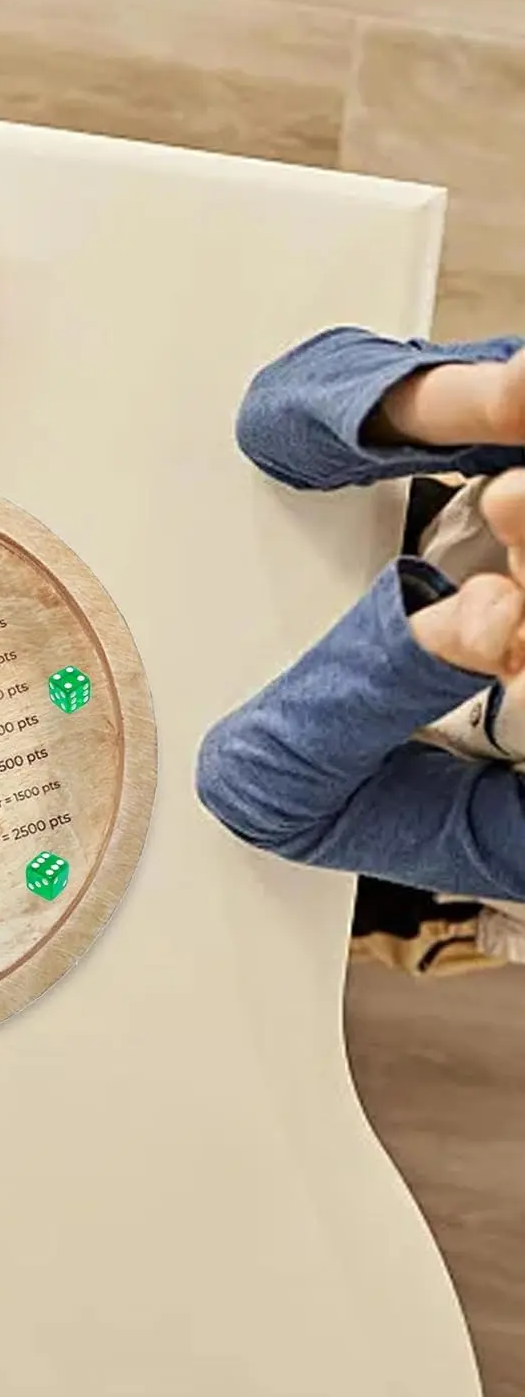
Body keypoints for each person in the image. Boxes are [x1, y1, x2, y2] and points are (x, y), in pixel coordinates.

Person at [197, 328, 525, 963]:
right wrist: (482, 403)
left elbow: (256, 799)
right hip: (354, 549)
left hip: (355, 794)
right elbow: (272, 418)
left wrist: (445, 639)